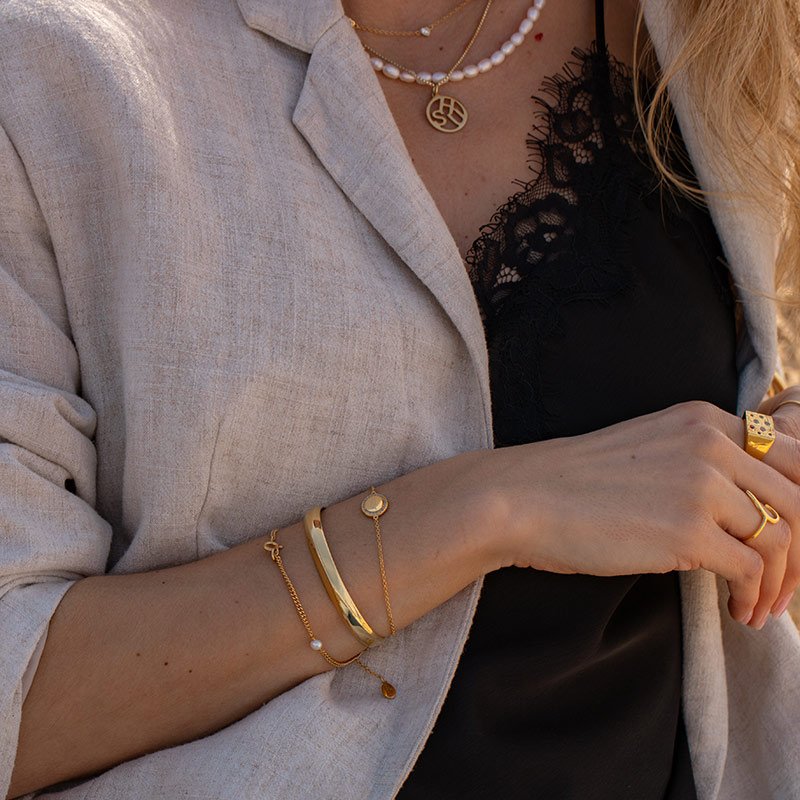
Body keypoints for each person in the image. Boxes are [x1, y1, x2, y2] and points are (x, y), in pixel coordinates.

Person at [1, 0, 799, 797]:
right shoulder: (47, 73)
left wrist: (773, 451)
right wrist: (492, 508)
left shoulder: (713, 24)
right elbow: (18, 694)